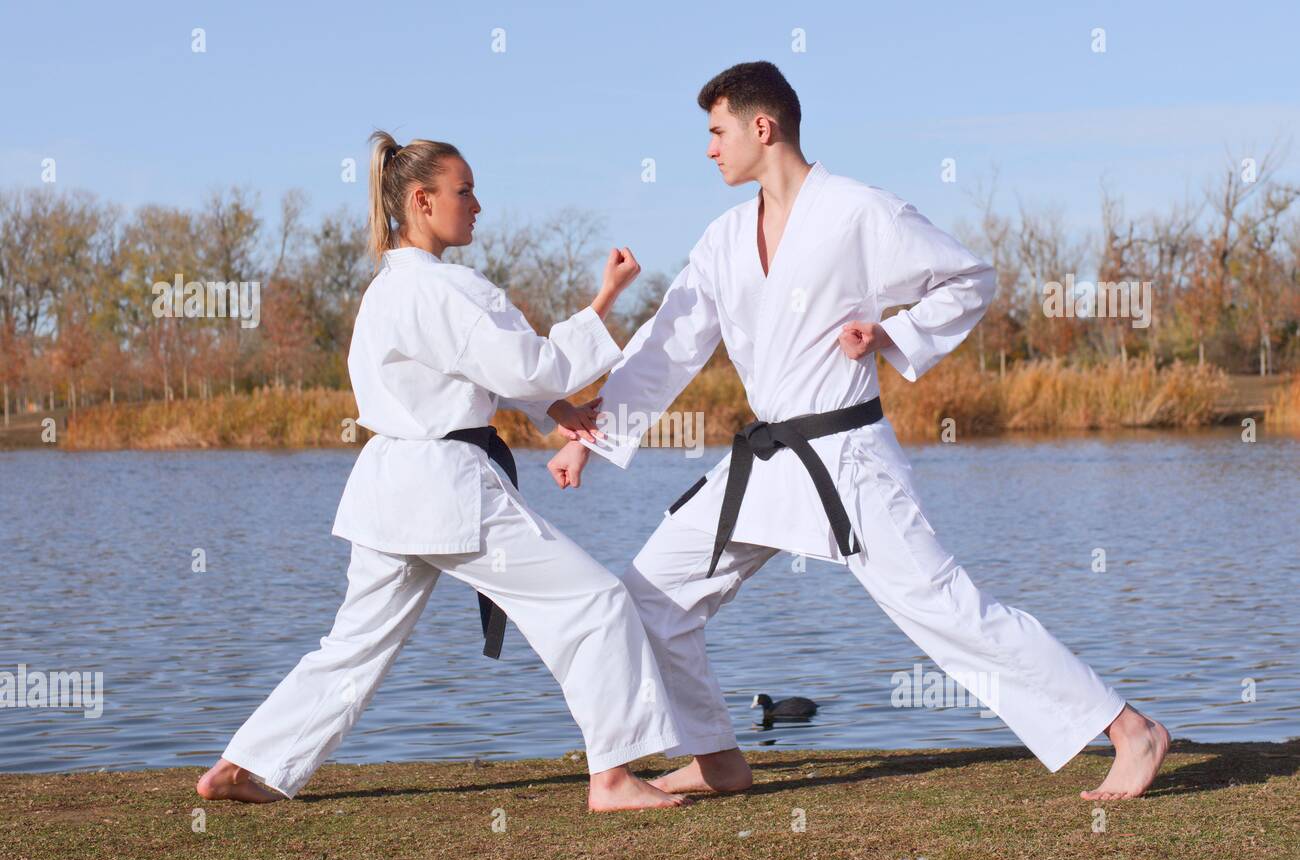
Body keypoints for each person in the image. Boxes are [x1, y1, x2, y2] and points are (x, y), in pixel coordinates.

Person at [547, 62, 1170, 800]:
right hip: (766, 460)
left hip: (847, 459)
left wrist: (893, 333)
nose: (709, 149)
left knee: (943, 609)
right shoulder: (723, 239)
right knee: (651, 596)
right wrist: (587, 435)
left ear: (761, 127)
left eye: (716, 132)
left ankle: (1129, 729)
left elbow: (969, 278)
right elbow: (668, 346)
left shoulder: (857, 212)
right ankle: (716, 758)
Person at [197, 130, 689, 812]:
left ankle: (241, 765)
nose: (477, 205)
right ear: (422, 201)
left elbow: (474, 373)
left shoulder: (387, 290)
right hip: (446, 486)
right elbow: (529, 365)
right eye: (465, 191)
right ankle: (611, 778)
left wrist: (555, 409)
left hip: (390, 486)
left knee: (354, 646)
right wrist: (604, 301)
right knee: (595, 601)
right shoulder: (447, 288)